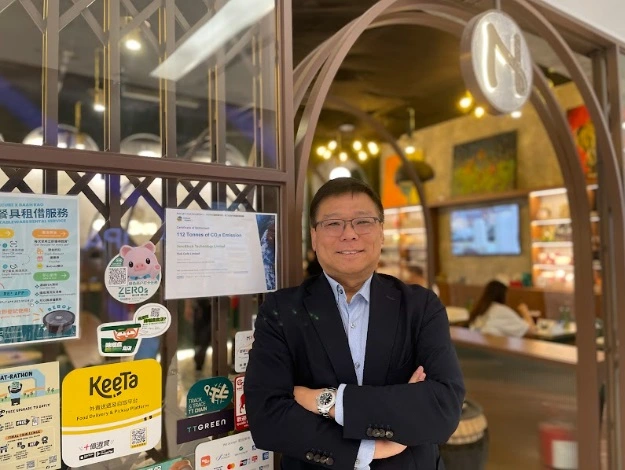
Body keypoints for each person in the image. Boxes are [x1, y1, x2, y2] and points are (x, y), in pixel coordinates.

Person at [245, 177, 465, 470]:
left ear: (381, 233)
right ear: (314, 237)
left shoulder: (421, 306)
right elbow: (267, 417)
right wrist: (369, 448)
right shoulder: (281, 310)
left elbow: (443, 408)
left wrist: (327, 401)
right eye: (333, 223)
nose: (349, 234)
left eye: (363, 222)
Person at [468, 280, 536, 338]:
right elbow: (531, 331)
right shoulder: (501, 311)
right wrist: (524, 311)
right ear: (503, 295)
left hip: (477, 347)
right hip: (494, 348)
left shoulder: (480, 310)